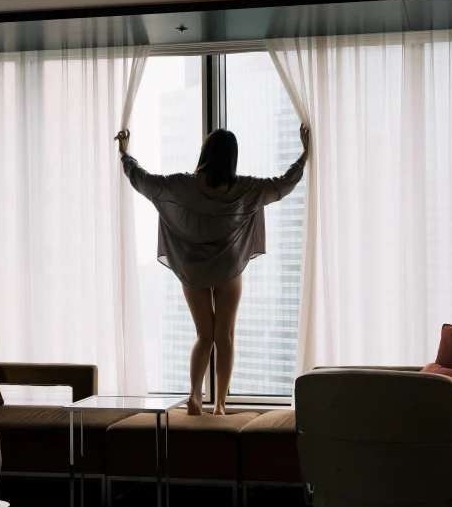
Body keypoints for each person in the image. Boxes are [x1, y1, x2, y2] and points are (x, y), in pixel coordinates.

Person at [116, 124, 309, 415]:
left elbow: (144, 182)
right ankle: (219, 404)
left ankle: (195, 395)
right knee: (225, 336)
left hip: (193, 269)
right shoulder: (245, 188)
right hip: (228, 266)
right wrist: (304, 155)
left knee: (204, 335)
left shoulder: (181, 185)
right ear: (233, 157)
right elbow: (283, 185)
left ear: (205, 153)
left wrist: (125, 156)